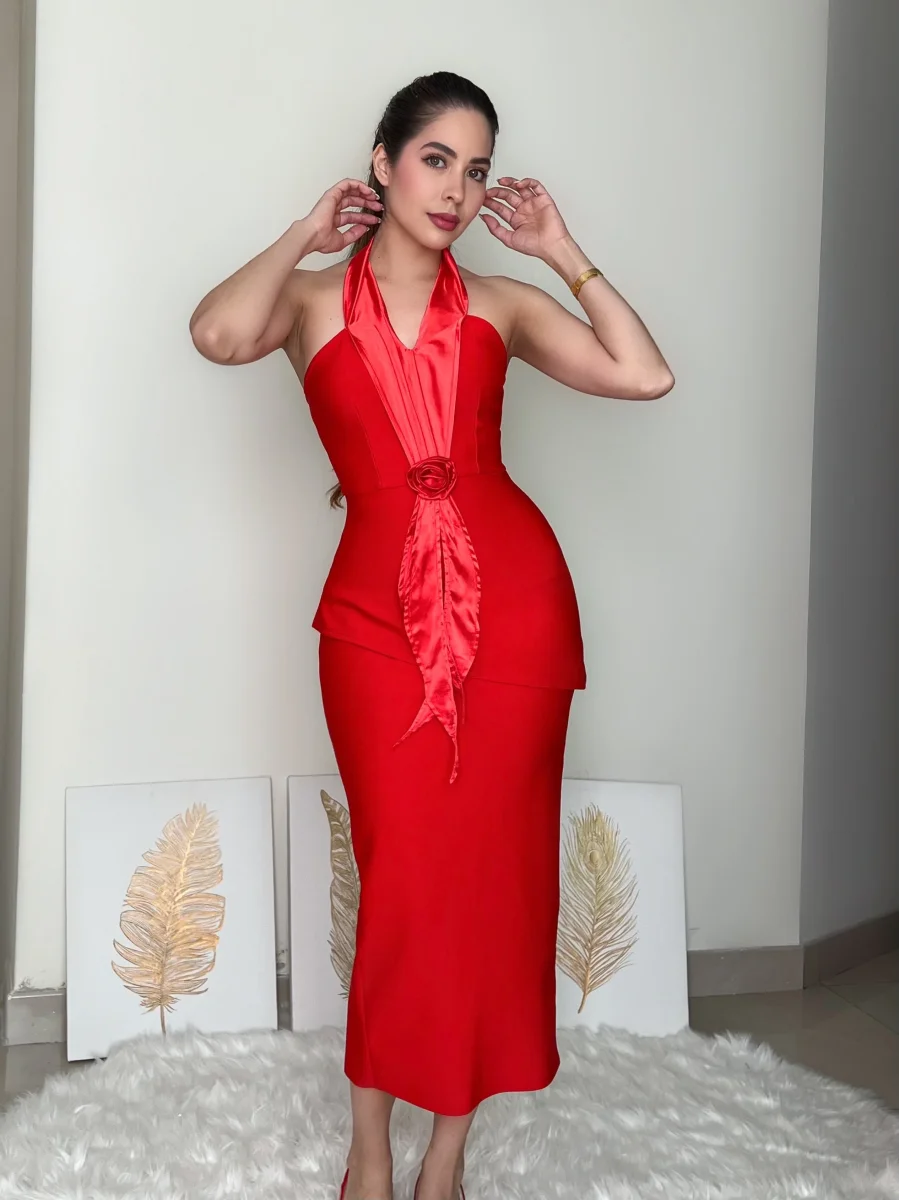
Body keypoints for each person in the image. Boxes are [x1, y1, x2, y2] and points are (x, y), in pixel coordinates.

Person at [190, 70, 673, 1200]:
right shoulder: (310, 301)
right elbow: (217, 332)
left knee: (494, 887)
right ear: (383, 162)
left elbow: (643, 373)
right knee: (403, 882)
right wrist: (303, 233)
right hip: (373, 624)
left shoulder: (502, 303)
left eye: (477, 168)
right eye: (435, 159)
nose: (456, 189)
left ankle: (443, 1159)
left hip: (514, 618)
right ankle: (368, 1151)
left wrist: (560, 250)